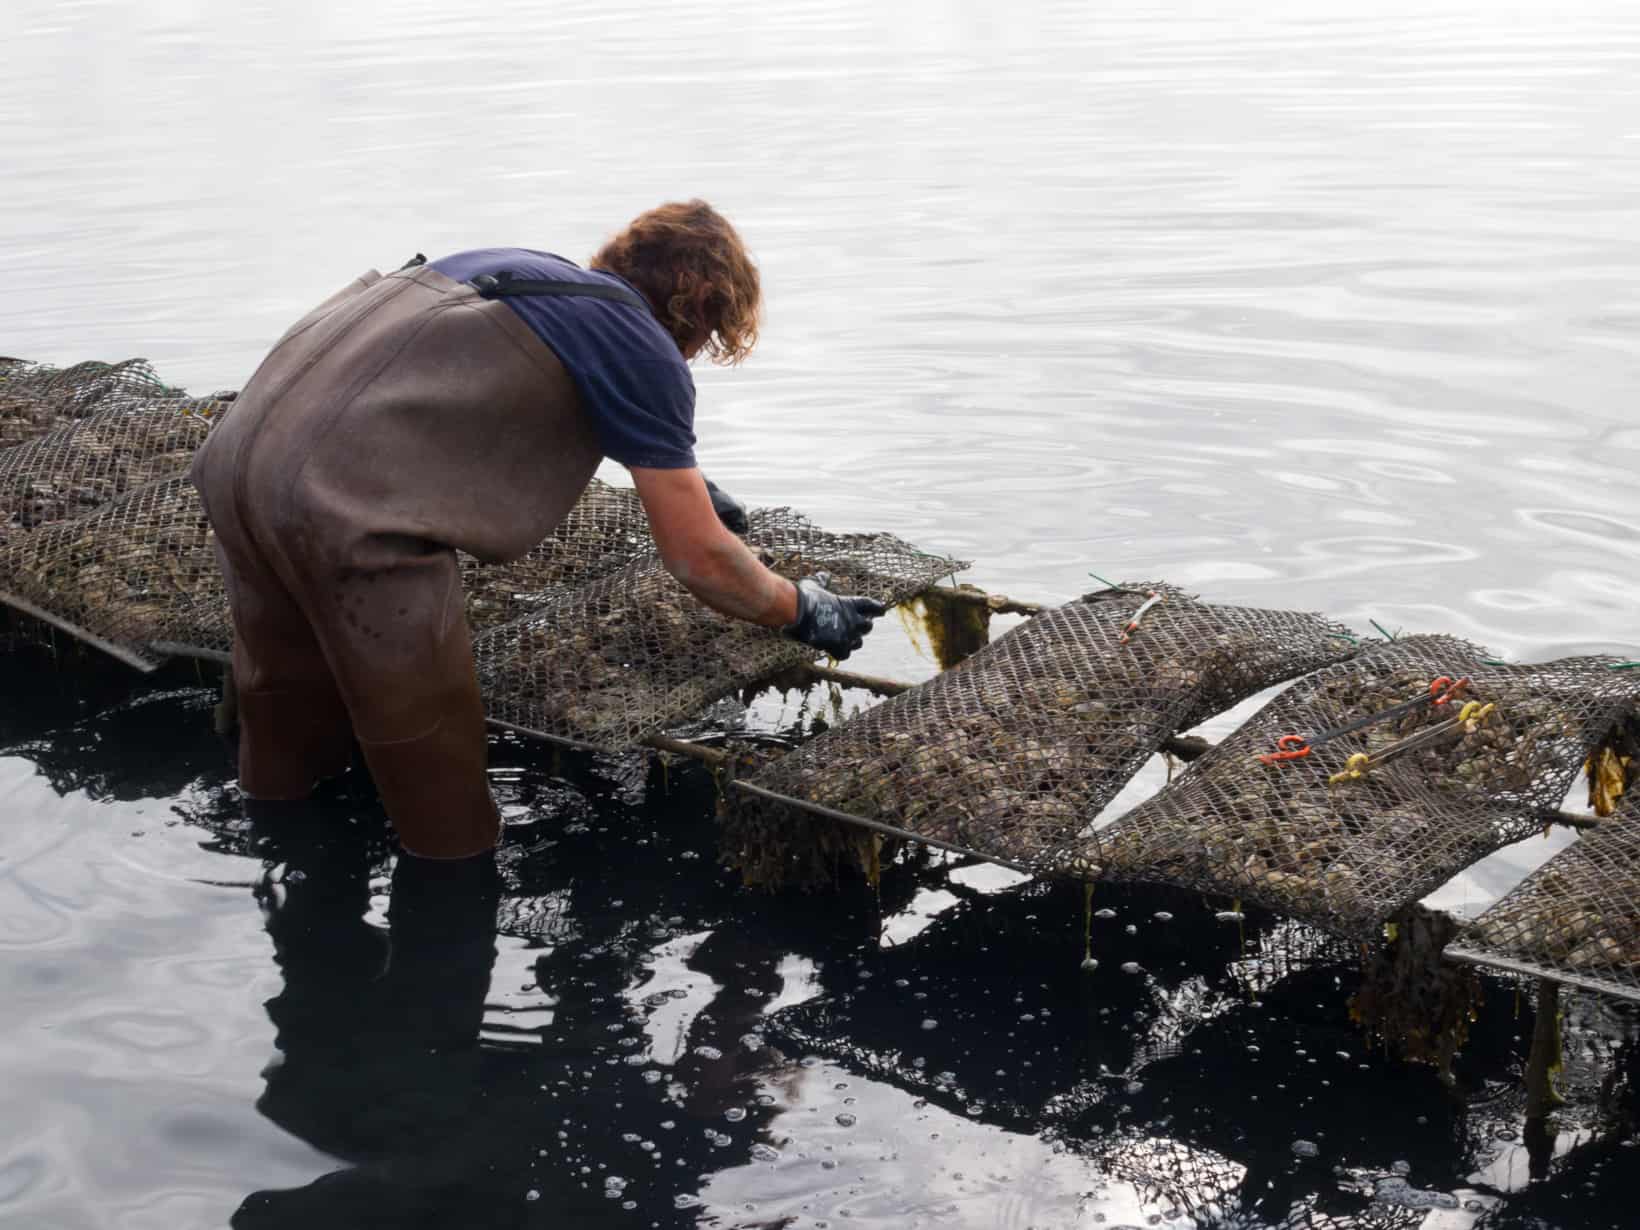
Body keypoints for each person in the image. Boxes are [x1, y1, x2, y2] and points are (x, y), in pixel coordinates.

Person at [189, 200, 885, 865]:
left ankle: (274, 866)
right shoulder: (642, 345)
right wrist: (800, 608)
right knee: (438, 785)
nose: (697, 353)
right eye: (706, 336)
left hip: (235, 468)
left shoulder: (517, 267)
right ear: (698, 305)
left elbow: (470, 385)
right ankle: (448, 926)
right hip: (346, 513)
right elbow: (699, 557)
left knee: (282, 714)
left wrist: (685, 481)